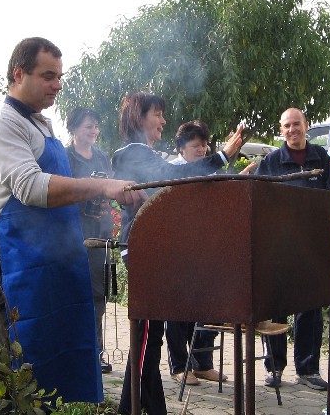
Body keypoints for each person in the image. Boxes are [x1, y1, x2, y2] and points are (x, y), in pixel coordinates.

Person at [0, 37, 146, 405]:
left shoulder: (40, 125)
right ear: (18, 73)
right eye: (48, 76)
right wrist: (103, 185)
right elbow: (33, 188)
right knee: (20, 368)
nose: (58, 85)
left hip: (52, 259)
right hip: (15, 262)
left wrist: (96, 202)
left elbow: (60, 192)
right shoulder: (0, 125)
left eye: (60, 76)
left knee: (52, 367)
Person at [112, 92, 244, 415]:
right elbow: (176, 177)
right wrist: (222, 157)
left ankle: (143, 409)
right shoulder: (131, 153)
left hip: (156, 250)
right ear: (139, 118)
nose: (163, 121)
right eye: (157, 114)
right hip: (144, 251)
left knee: (149, 339)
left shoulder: (143, 153)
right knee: (146, 340)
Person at [254, 107, 330, 391]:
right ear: (281, 130)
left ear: (307, 125)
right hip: (278, 251)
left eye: (297, 124)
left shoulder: (321, 158)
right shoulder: (271, 161)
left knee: (309, 310)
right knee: (275, 309)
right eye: (287, 126)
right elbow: (261, 203)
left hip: (310, 250)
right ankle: (275, 368)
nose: (292, 130)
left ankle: (308, 369)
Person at [165, 120, 228, 386]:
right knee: (179, 309)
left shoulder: (210, 171)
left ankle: (203, 364)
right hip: (178, 248)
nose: (202, 150)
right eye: (195, 145)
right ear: (181, 147)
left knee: (207, 307)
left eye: (204, 145)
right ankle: (179, 366)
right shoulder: (173, 169)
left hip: (207, 247)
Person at [65, 107, 114, 374]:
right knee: (72, 294)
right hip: (72, 236)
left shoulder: (102, 157)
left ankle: (95, 352)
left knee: (98, 295)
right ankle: (73, 350)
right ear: (74, 129)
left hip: (100, 235)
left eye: (95, 126)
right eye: (87, 126)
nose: (93, 131)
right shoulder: (65, 156)